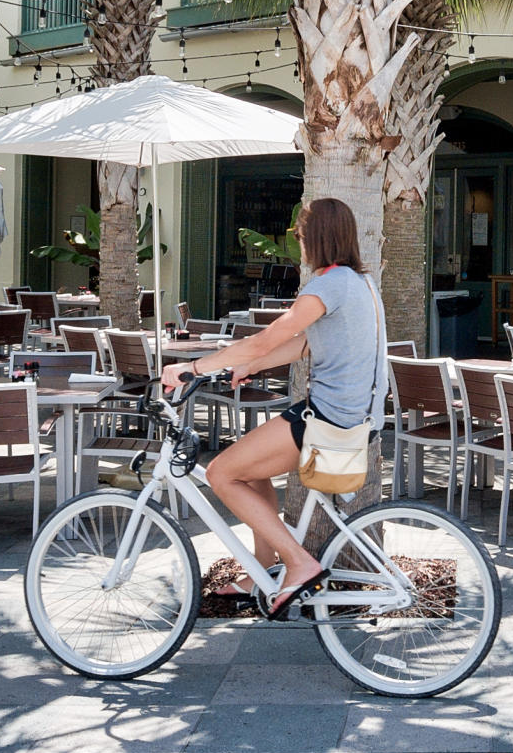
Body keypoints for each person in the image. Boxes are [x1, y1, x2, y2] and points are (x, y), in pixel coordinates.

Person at [159, 196, 381, 617]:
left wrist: (192, 366)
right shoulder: (357, 282)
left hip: (327, 417)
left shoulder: (328, 284)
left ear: (316, 237)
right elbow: (302, 345)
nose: (297, 240)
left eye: (300, 233)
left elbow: (269, 337)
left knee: (223, 473)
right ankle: (263, 565)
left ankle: (297, 563)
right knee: (249, 469)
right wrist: (250, 366)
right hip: (346, 413)